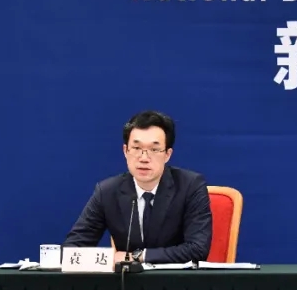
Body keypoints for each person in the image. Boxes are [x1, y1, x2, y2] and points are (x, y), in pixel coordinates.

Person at [64, 110, 213, 264]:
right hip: (126, 279)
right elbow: (72, 249)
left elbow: (197, 250)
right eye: (136, 148)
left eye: (154, 150)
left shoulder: (190, 186)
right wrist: (106, 259)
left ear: (167, 154)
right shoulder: (107, 192)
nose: (144, 158)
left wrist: (136, 256)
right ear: (125, 151)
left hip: (176, 278)